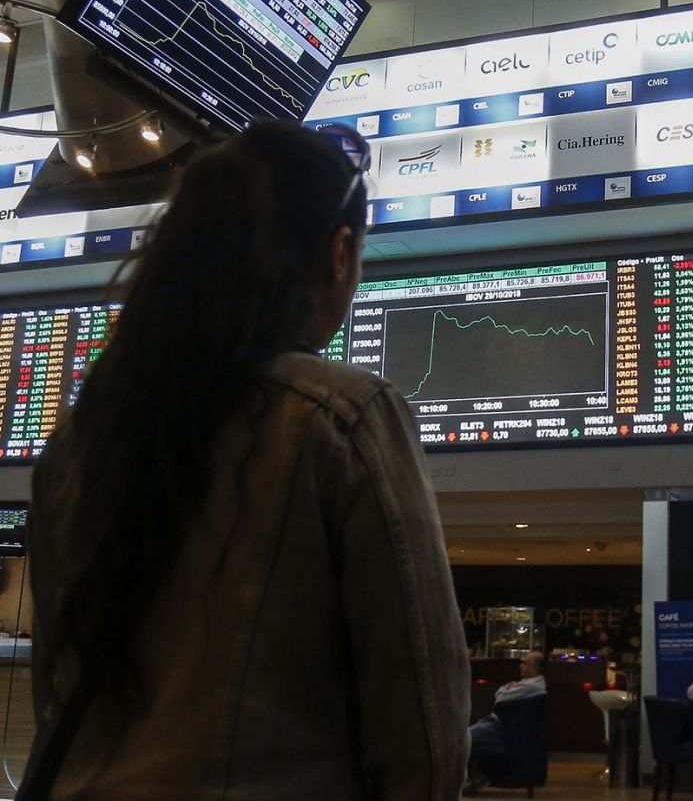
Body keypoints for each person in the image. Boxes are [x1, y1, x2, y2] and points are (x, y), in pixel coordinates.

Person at [25, 121, 471, 799]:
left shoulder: (79, 442)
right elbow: (421, 730)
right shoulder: (342, 417)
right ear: (340, 254)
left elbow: (54, 695)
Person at [469, 650, 547, 746]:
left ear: (536, 668)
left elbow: (500, 698)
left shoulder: (530, 686)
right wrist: (506, 689)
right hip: (502, 724)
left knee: (463, 738)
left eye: (525, 664)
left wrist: (506, 688)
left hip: (502, 727)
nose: (521, 666)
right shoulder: (532, 683)